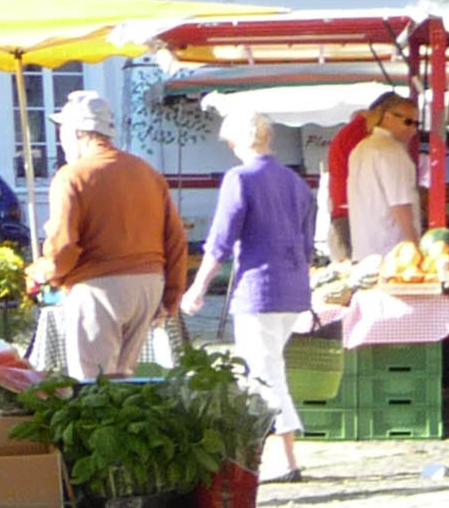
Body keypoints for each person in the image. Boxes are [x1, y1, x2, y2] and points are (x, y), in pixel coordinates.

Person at [183, 111, 315, 481]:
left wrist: (198, 287)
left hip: (259, 290)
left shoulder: (238, 179)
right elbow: (306, 247)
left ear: (233, 142)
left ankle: (284, 459)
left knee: (265, 374)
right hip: (293, 291)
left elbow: (220, 242)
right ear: (269, 137)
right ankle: (282, 456)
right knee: (272, 368)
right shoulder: (296, 182)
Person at [29, 91, 187, 379]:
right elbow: (175, 240)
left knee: (91, 385)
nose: (60, 138)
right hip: (149, 286)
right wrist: (172, 297)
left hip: (99, 287)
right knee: (122, 381)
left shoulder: (72, 176)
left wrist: (46, 274)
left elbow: (63, 247)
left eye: (62, 131)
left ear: (78, 132)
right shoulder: (147, 172)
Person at [342, 91, 424, 261]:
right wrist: (415, 245)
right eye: (408, 122)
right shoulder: (391, 151)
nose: (413, 129)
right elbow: (399, 203)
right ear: (387, 117)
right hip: (392, 252)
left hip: (364, 249)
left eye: (417, 124)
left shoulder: (361, 148)